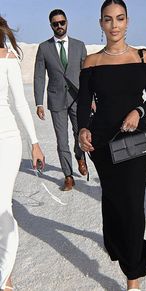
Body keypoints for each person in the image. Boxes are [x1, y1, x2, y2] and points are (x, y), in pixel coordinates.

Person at [77, 1, 146, 290]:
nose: (114, 25)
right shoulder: (91, 62)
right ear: (101, 24)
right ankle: (121, 243)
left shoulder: (142, 57)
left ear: (128, 21)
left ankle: (133, 277)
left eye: (120, 18)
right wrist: (82, 130)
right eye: (108, 20)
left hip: (136, 141)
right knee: (114, 202)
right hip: (103, 143)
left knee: (131, 204)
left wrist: (137, 111)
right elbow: (83, 108)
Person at [0, 17, 44, 291]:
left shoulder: (8, 59)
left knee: (3, 207)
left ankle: (4, 275)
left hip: (6, 140)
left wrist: (35, 143)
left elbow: (20, 103)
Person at [34, 9, 87, 191]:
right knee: (61, 140)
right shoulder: (44, 48)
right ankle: (68, 175)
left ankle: (80, 156)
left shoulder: (79, 46)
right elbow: (39, 76)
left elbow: (87, 76)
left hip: (78, 98)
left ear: (67, 22)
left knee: (79, 133)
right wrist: (39, 103)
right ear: (51, 25)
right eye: (55, 23)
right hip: (56, 100)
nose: (59, 26)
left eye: (62, 22)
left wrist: (92, 98)